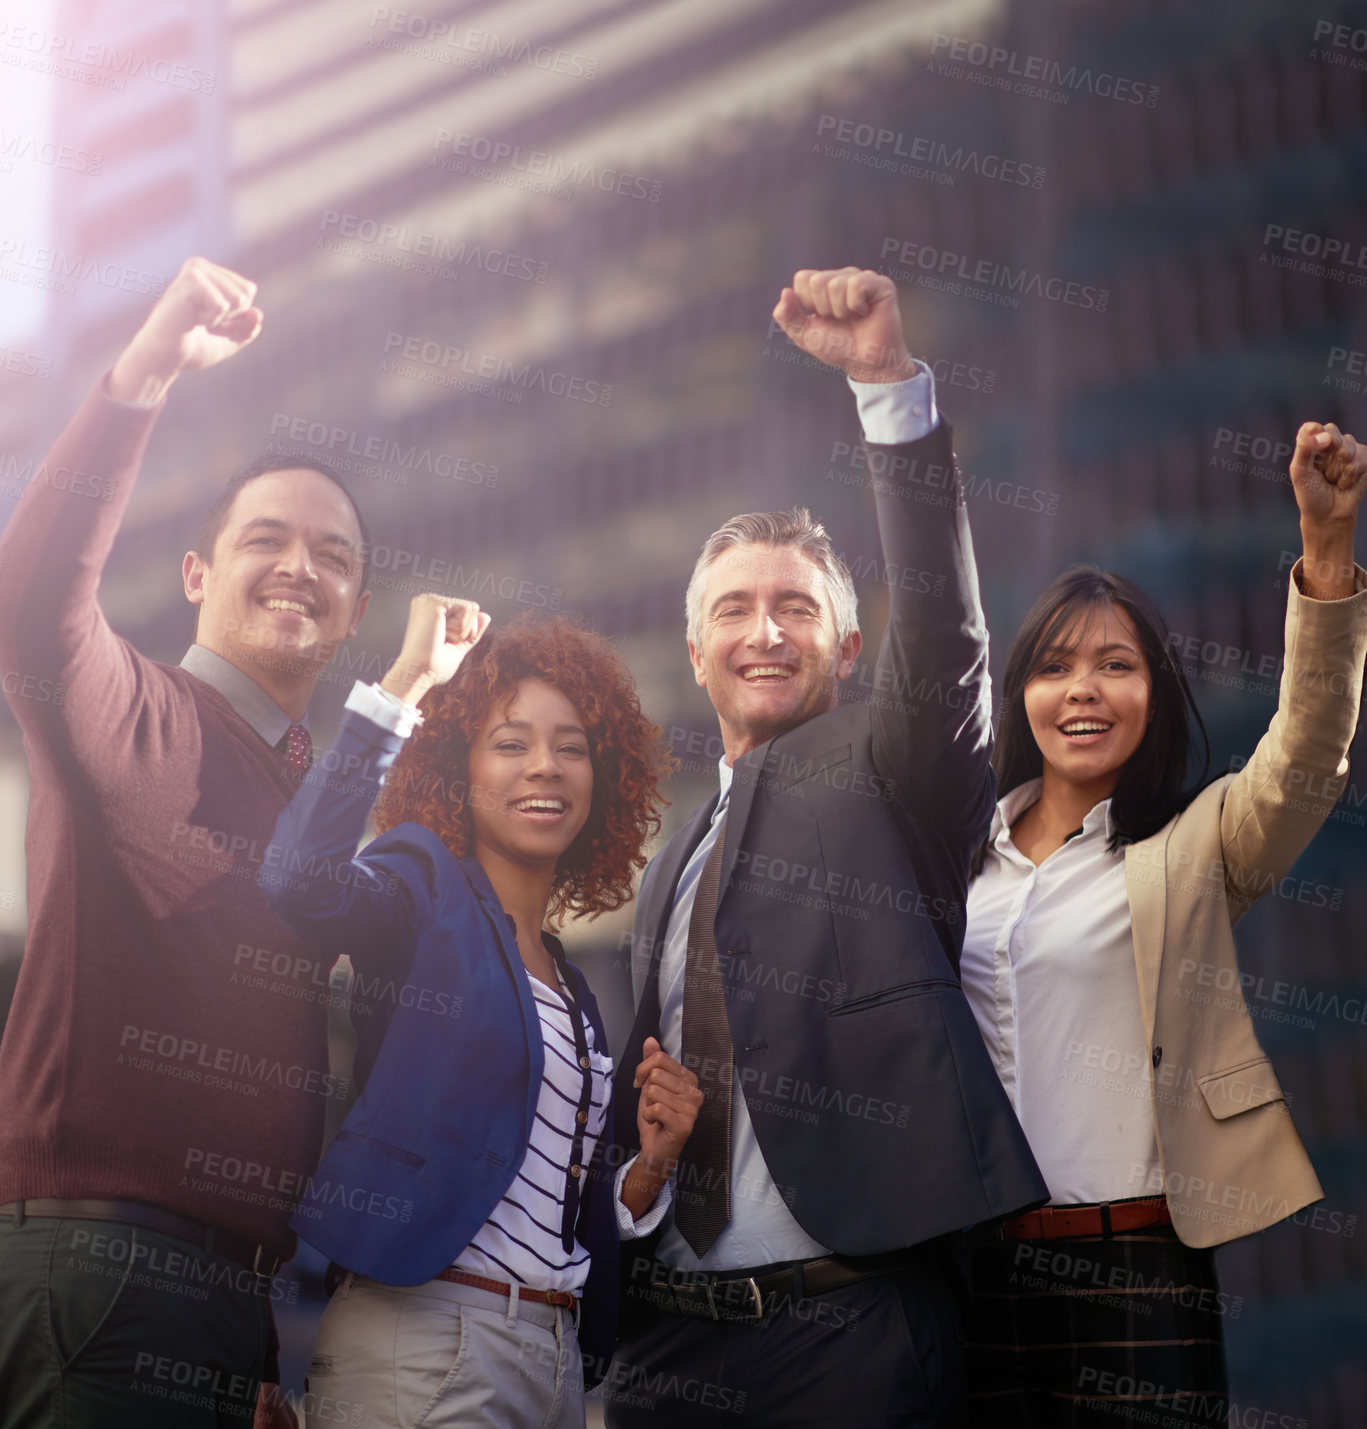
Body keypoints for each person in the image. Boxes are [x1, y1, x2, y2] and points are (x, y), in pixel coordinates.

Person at [605, 266, 1048, 1428]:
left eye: (796, 608)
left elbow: (947, 647)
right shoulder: (671, 866)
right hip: (670, 1349)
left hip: (851, 1337)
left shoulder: (889, 775)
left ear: (847, 650)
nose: (764, 630)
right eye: (735, 611)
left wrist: (888, 393)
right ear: (695, 654)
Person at [0, 256, 372, 1427]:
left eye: (335, 556)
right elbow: (33, 599)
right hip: (99, 1268)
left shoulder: (315, 805)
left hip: (214, 1295)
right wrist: (145, 373)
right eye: (266, 539)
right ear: (197, 573)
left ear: (352, 611)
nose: (300, 565)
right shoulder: (134, 712)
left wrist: (250, 1337)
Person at [960, 422, 1367, 1427]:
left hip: (1139, 1264)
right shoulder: (958, 859)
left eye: (1116, 666)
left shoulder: (1192, 843)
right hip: (973, 1274)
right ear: (1021, 694)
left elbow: (1307, 750)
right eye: (1055, 668)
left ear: (1154, 694)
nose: (1084, 691)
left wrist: (1323, 552)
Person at [259, 597, 689, 1428]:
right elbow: (297, 880)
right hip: (427, 1338)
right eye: (511, 743)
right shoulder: (424, 885)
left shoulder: (573, 993)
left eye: (572, 748)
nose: (545, 766)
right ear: (460, 767)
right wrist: (408, 679)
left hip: (553, 1358)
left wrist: (649, 1171)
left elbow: (542, 1200)